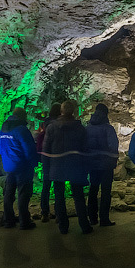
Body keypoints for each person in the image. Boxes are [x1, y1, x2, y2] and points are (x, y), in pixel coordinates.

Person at [42, 99, 93, 235]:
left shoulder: (52, 128)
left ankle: (63, 227)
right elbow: (85, 149)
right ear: (74, 112)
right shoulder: (80, 128)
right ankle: (84, 225)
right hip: (75, 167)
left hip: (57, 166)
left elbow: (46, 149)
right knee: (79, 196)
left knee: (59, 197)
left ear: (61, 111)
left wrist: (46, 169)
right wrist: (85, 167)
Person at [0, 107, 39, 230]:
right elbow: (29, 149)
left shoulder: (3, 129)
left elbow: (1, 148)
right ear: (23, 116)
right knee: (23, 194)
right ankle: (24, 221)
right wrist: (34, 163)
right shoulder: (21, 130)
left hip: (9, 165)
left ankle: (8, 220)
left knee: (9, 193)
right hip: (22, 166)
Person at [85, 102, 119, 227]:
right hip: (106, 163)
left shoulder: (88, 127)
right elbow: (113, 145)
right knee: (105, 191)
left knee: (93, 190)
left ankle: (92, 217)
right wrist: (114, 159)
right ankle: (104, 218)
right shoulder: (108, 128)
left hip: (92, 163)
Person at [35, 103, 61, 223]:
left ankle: (44, 213)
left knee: (46, 185)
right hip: (56, 157)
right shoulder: (59, 124)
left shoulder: (44, 123)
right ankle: (59, 213)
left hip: (45, 157)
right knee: (58, 185)